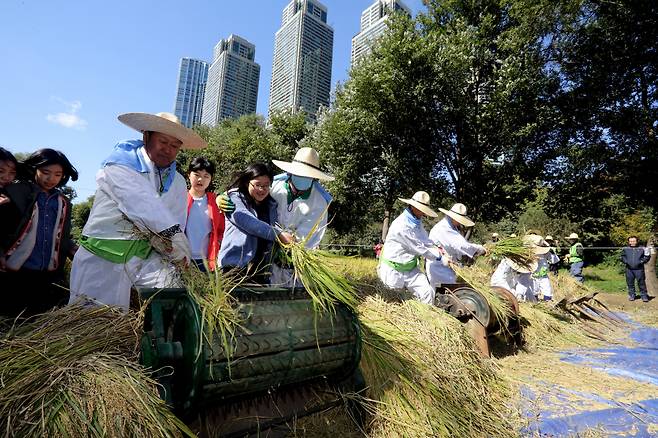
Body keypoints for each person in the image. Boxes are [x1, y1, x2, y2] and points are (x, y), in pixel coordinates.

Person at [69, 112, 204, 311]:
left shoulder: (176, 181)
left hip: (144, 257)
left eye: (175, 146)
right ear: (146, 137)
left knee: (172, 296)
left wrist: (176, 253)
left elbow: (177, 220)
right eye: (163, 141)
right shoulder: (119, 165)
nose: (168, 149)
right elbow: (143, 206)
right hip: (103, 256)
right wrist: (176, 241)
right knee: (95, 320)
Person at [2, 149, 78, 316]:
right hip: (16, 271)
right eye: (45, 172)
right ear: (34, 169)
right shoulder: (18, 192)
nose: (51, 179)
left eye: (58, 174)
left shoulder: (62, 202)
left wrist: (73, 249)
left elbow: (62, 235)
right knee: (12, 319)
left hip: (47, 275)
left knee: (38, 320)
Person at [268, 147, 334, 286]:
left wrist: (290, 244)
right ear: (291, 172)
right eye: (299, 173)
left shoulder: (319, 202)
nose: (302, 177)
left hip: (294, 262)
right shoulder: (274, 186)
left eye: (307, 175)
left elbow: (307, 238)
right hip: (265, 254)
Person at [219, 163, 294, 284]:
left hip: (261, 272)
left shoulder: (271, 205)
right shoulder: (234, 199)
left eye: (266, 186)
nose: (261, 189)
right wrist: (279, 235)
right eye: (257, 185)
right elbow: (250, 223)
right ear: (246, 182)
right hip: (234, 270)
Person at [377, 191, 448, 305]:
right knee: (393, 302)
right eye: (422, 210)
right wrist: (439, 256)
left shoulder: (416, 221)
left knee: (427, 294)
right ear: (413, 206)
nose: (423, 214)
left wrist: (437, 247)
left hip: (411, 268)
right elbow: (418, 248)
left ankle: (427, 320)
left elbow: (424, 239)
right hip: (393, 269)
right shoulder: (401, 225)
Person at [426, 203, 485, 288]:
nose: (460, 222)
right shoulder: (445, 228)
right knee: (446, 294)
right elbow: (462, 246)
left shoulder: (452, 226)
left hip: (446, 265)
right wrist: (479, 249)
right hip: (439, 267)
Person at [185, 156, 224, 272]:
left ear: (211, 179)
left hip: (207, 261)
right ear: (189, 175)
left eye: (206, 176)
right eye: (197, 175)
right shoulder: (180, 198)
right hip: (183, 259)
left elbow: (221, 230)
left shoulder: (216, 202)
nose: (201, 180)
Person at [491, 235, 549, 302]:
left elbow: (524, 280)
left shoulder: (529, 262)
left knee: (532, 300)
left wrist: (520, 294)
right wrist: (512, 294)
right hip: (501, 285)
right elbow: (500, 278)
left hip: (516, 286)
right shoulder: (511, 258)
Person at [621, 236, 651, 302]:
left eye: (634, 241)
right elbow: (622, 257)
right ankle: (632, 295)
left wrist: (641, 261)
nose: (632, 242)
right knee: (630, 283)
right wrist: (626, 261)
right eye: (630, 241)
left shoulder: (642, 248)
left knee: (641, 283)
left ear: (637, 241)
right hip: (629, 269)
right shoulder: (625, 249)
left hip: (639, 269)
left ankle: (644, 296)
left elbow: (647, 256)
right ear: (629, 242)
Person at [530, 235, 556, 301]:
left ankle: (548, 304)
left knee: (547, 292)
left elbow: (553, 260)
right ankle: (534, 306)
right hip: (533, 275)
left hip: (543, 275)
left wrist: (551, 252)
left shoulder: (545, 251)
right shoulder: (529, 251)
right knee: (534, 292)